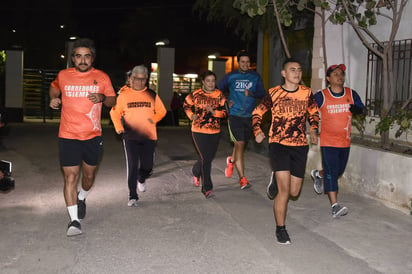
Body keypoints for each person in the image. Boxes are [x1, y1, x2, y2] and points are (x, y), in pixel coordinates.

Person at [49, 38, 116, 236]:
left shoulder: (102, 77)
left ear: (92, 58)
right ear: (73, 58)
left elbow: (113, 101)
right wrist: (54, 97)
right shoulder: (63, 75)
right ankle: (74, 221)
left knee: (88, 177)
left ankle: (82, 196)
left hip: (92, 136)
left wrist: (103, 98)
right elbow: (54, 87)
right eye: (79, 56)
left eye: (87, 56)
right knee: (70, 176)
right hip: (68, 135)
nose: (83, 60)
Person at [252, 58, 319, 244]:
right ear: (284, 73)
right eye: (292, 70)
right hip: (278, 144)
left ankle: (275, 175)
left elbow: (313, 113)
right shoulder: (273, 93)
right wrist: (257, 130)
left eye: (299, 69)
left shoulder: (306, 93)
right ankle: (281, 230)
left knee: (295, 192)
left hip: (299, 146)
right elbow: (257, 112)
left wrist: (313, 129)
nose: (297, 73)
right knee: (284, 191)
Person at [310, 64, 365, 218]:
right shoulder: (321, 96)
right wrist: (313, 129)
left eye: (341, 74)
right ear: (328, 79)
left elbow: (362, 108)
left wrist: (358, 110)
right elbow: (312, 113)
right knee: (333, 173)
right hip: (328, 141)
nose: (340, 76)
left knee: (338, 171)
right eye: (335, 74)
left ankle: (319, 174)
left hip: (345, 141)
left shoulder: (351, 93)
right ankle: (335, 206)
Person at [110, 65, 166, 207]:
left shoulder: (152, 95)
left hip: (149, 136)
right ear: (131, 79)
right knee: (133, 165)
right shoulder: (123, 95)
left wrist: (153, 119)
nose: (140, 82)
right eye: (137, 79)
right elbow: (114, 113)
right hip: (130, 136)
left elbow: (162, 111)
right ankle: (132, 195)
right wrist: (118, 127)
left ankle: (142, 177)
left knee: (148, 166)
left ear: (146, 79)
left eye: (143, 79)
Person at [217, 50, 266, 189]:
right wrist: (225, 102)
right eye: (242, 62)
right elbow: (217, 90)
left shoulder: (255, 76)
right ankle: (243, 179)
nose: (245, 64)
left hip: (249, 116)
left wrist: (252, 93)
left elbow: (262, 93)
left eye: (247, 62)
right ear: (238, 63)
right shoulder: (231, 76)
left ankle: (232, 160)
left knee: (241, 145)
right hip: (234, 115)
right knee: (239, 143)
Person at [183, 70, 227, 198]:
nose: (211, 83)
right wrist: (191, 115)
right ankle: (207, 188)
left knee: (206, 158)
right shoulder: (196, 94)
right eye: (208, 81)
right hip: (198, 131)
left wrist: (214, 112)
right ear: (203, 82)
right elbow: (186, 105)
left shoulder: (219, 95)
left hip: (215, 131)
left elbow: (225, 113)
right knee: (206, 159)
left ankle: (195, 171)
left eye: (213, 81)